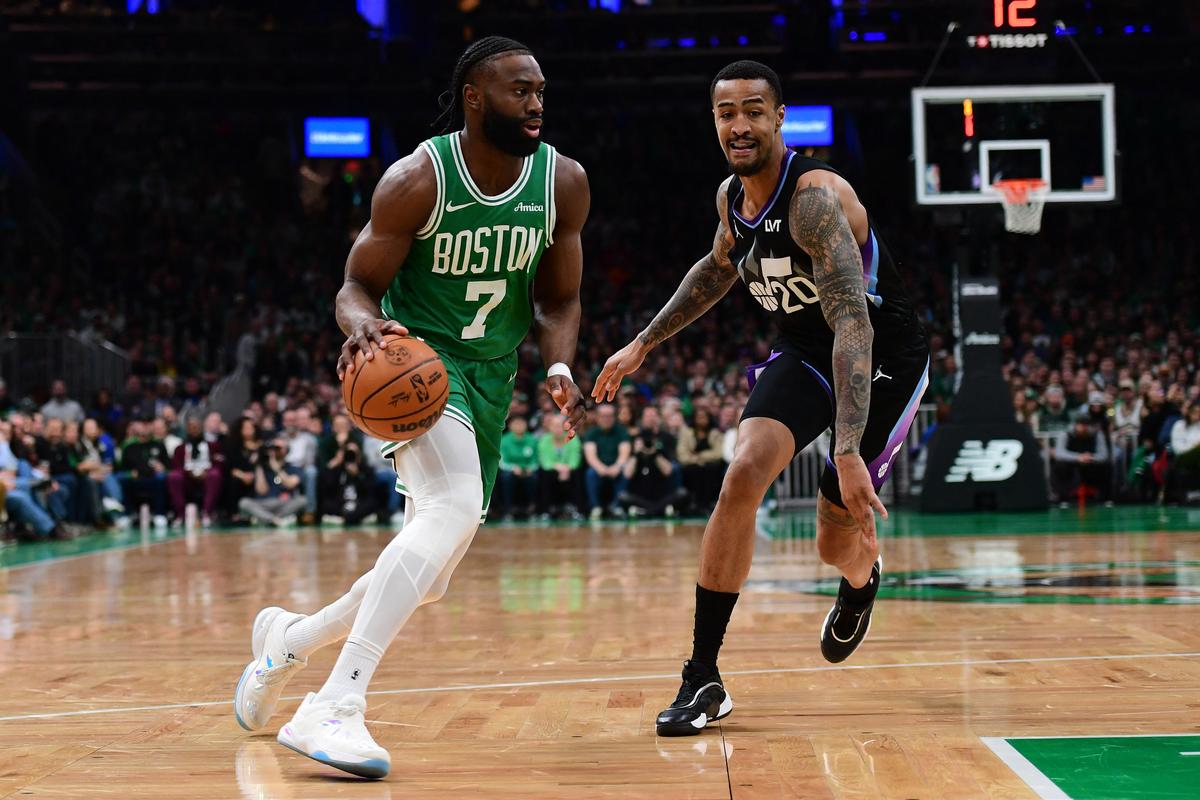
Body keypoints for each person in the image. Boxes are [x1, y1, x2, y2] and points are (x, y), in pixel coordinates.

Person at [232, 36, 589, 780]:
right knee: (453, 505)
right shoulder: (417, 179)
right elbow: (355, 286)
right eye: (519, 91)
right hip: (418, 366)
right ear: (473, 97)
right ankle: (335, 703)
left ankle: (288, 642)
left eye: (541, 92)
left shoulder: (564, 182)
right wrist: (361, 323)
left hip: (493, 377)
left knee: (426, 573)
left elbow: (559, 296)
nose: (535, 104)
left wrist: (557, 363)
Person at [594, 60, 929, 736]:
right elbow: (717, 268)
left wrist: (845, 448)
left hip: (878, 357)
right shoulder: (731, 199)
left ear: (780, 118)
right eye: (726, 113)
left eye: (753, 110)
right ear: (714, 121)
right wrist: (644, 343)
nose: (739, 124)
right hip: (807, 351)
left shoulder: (814, 199)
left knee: (835, 541)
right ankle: (704, 677)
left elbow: (854, 325)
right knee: (741, 472)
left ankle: (862, 579)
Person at [618, 405, 686, 518]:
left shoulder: (667, 438)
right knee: (622, 497)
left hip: (663, 491)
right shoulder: (635, 438)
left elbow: (668, 471)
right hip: (640, 492)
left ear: (659, 418)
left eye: (653, 415)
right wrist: (636, 453)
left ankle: (645, 512)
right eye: (647, 416)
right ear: (642, 419)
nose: (650, 419)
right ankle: (661, 510)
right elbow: (627, 474)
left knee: (682, 494)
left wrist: (655, 453)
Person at [167, 415, 224, 525]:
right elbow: (176, 466)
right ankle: (181, 515)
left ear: (201, 428)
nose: (194, 429)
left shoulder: (213, 446)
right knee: (174, 476)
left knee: (215, 474)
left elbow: (219, 464)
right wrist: (189, 473)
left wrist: (206, 472)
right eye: (191, 427)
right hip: (187, 478)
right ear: (187, 429)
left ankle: (207, 513)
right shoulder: (180, 449)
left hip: (206, 477)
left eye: (197, 427)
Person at [238, 437, 306, 527]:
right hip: (263, 503)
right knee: (244, 502)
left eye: (278, 448)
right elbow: (261, 491)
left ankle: (264, 519)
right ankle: (275, 520)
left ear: (286, 451)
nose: (274, 450)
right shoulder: (262, 468)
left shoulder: (292, 468)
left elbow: (291, 484)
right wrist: (259, 464)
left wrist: (276, 467)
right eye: (272, 447)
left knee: (302, 500)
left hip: (283, 503)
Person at [582, 403, 631, 519]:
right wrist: (601, 469)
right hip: (599, 468)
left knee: (626, 471)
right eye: (603, 416)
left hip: (617, 466)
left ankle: (617, 506)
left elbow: (624, 453)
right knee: (591, 473)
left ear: (614, 417)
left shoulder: (621, 431)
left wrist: (617, 467)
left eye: (609, 416)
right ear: (598, 417)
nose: (606, 419)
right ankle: (596, 507)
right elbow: (591, 456)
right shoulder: (591, 433)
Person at [1052, 412, 1112, 506]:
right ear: (1075, 424)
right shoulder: (1065, 434)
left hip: (1091, 462)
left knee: (1107, 466)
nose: (1083, 427)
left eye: (1086, 424)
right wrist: (1078, 457)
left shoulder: (1097, 434)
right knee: (1059, 466)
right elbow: (1059, 453)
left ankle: (1105, 498)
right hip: (1072, 463)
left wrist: (1091, 457)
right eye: (1081, 424)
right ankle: (1063, 499)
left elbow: (1104, 455)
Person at [676, 407, 725, 514]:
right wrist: (694, 460)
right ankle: (694, 504)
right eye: (699, 417)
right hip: (691, 465)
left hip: (711, 466)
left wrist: (700, 456)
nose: (701, 420)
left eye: (704, 417)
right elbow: (681, 454)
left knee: (710, 471)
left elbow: (718, 453)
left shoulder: (715, 432)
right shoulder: (686, 432)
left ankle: (708, 504)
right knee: (694, 471)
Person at [536, 412, 583, 520]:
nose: (558, 429)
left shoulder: (573, 438)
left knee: (577, 474)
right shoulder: (544, 440)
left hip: (569, 470)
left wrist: (567, 468)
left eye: (560, 425)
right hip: (552, 471)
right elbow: (545, 462)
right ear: (549, 427)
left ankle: (577, 509)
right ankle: (545, 511)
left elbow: (575, 460)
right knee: (545, 475)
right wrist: (559, 467)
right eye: (555, 426)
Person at [497, 416, 538, 518]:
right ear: (510, 426)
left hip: (527, 470)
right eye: (516, 423)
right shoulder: (504, 440)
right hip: (510, 471)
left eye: (522, 423)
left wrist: (530, 468)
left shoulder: (532, 440)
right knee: (507, 478)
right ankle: (508, 509)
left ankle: (532, 507)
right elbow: (501, 461)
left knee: (534, 478)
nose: (519, 426)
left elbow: (536, 460)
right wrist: (513, 468)